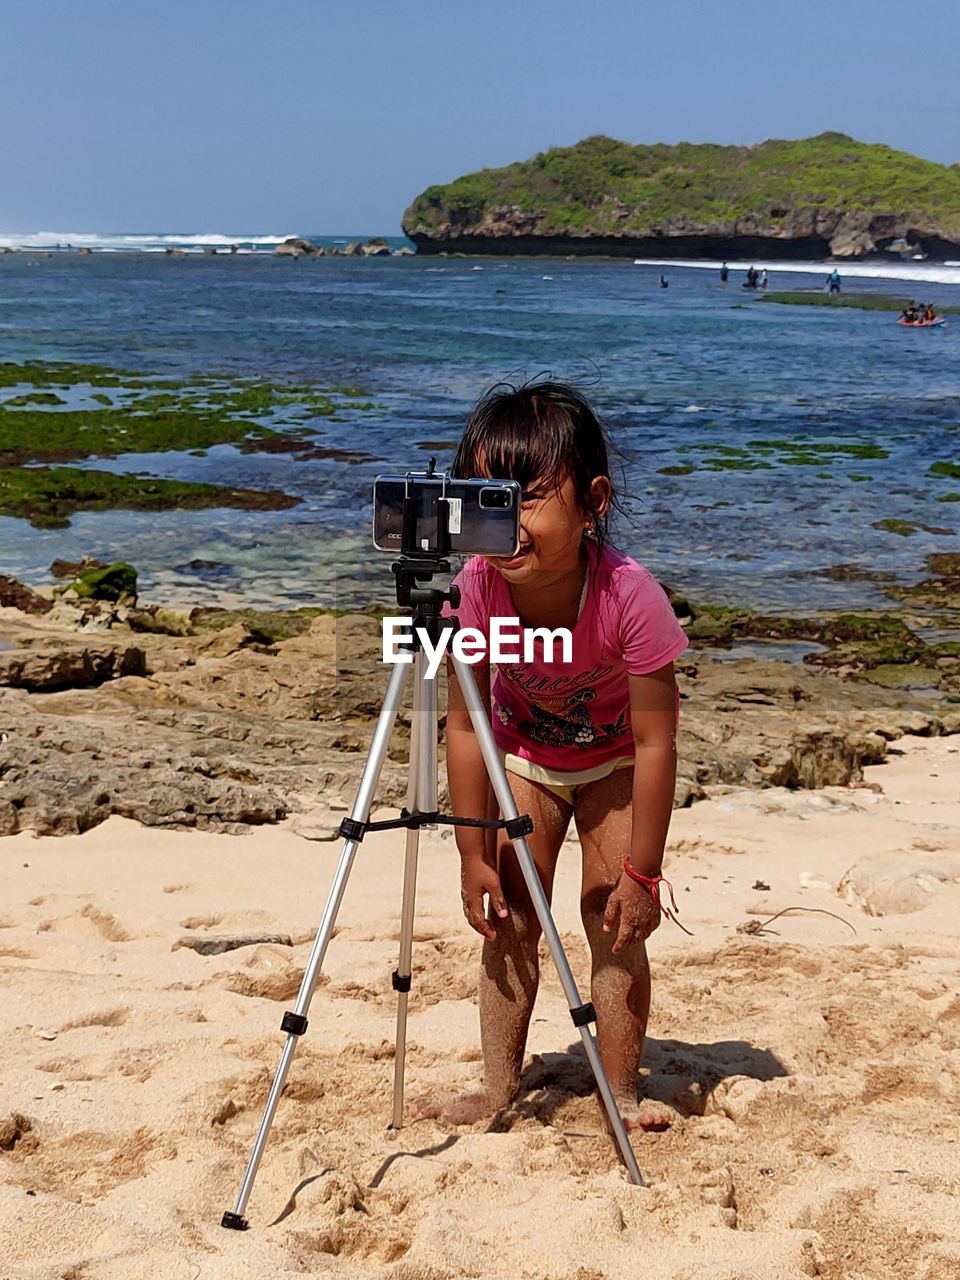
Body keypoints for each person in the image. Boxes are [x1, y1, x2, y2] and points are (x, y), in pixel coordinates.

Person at [422, 380, 688, 1132]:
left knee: (614, 921)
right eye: (484, 499)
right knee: (507, 921)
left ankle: (621, 1089)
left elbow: (656, 740)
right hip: (526, 756)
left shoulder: (629, 596)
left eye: (525, 500)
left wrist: (643, 870)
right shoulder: (475, 587)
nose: (501, 524)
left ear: (593, 500)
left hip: (615, 765)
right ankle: (499, 1084)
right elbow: (467, 725)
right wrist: (472, 850)